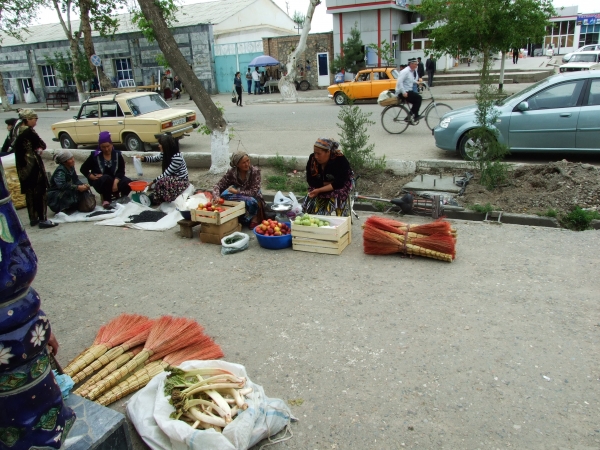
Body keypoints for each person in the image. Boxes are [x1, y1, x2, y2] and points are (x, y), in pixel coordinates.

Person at [12, 109, 57, 228]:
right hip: (33, 166)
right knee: (40, 192)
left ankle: (33, 218)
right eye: (34, 119)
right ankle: (43, 219)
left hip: (22, 168)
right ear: (28, 119)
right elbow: (42, 144)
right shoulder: (29, 132)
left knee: (29, 193)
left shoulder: (15, 130)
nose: (36, 122)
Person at [212, 151, 265, 229]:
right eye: (243, 162)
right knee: (223, 197)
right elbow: (218, 186)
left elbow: (254, 192)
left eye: (248, 161)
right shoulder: (232, 173)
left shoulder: (255, 171)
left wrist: (238, 192)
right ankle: (238, 216)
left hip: (253, 195)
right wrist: (216, 196)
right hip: (239, 195)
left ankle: (254, 217)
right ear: (237, 164)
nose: (247, 164)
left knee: (252, 201)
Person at [80, 131, 132, 209]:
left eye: (108, 146)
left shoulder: (117, 155)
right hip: (101, 182)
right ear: (100, 146)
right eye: (103, 147)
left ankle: (122, 198)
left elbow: (121, 170)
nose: (106, 149)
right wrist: (91, 176)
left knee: (128, 182)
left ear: (111, 144)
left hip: (115, 179)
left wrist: (115, 182)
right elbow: (83, 169)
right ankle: (106, 200)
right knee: (106, 178)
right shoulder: (95, 156)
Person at [303, 137, 352, 217]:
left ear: (328, 152)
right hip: (322, 184)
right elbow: (310, 180)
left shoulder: (340, 160)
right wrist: (327, 184)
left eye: (319, 154)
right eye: (315, 153)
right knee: (311, 196)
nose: (316, 156)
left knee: (338, 195)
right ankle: (314, 216)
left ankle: (342, 220)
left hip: (342, 184)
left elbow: (339, 183)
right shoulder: (312, 159)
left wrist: (319, 190)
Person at [138, 134, 189, 204]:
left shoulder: (177, 157)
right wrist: (143, 159)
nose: (158, 146)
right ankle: (157, 198)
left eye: (160, 144)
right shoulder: (165, 154)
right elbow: (155, 159)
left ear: (166, 146)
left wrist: (152, 182)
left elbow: (166, 174)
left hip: (181, 181)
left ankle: (158, 200)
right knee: (162, 182)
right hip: (172, 179)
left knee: (161, 182)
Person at [395, 58, 423, 124]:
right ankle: (412, 116)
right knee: (419, 98)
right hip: (403, 92)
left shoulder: (411, 71)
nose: (417, 66)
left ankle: (412, 116)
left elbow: (410, 80)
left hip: (408, 91)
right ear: (411, 64)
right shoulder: (405, 71)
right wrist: (403, 92)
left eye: (417, 64)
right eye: (416, 64)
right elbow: (399, 82)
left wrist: (417, 82)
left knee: (417, 100)